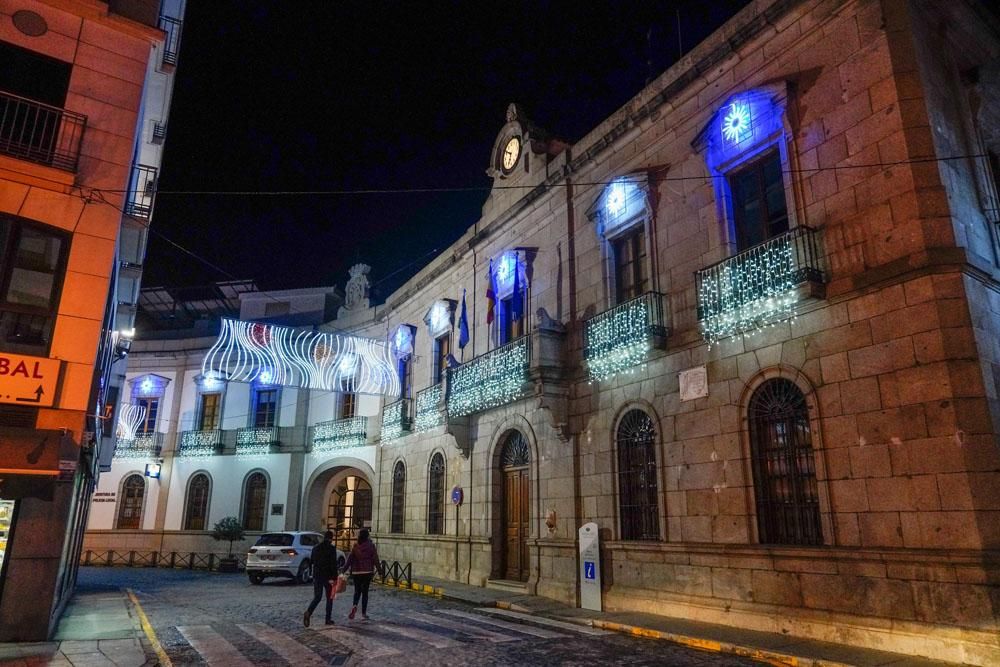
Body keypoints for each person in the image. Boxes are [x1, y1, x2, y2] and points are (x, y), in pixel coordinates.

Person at [343, 528, 381, 620]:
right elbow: (375, 559)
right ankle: (364, 613)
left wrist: (344, 570)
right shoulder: (371, 546)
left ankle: (355, 605)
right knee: (365, 592)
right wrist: (380, 571)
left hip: (356, 571)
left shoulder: (356, 546)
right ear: (367, 536)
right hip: (368, 571)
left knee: (357, 591)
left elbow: (350, 559)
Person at [303, 530, 339, 627]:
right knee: (329, 598)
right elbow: (333, 564)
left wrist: (312, 573)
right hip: (328, 576)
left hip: (318, 575)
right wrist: (335, 577)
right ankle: (328, 618)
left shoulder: (316, 548)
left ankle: (308, 612)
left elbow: (312, 561)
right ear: (331, 538)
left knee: (317, 597)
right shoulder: (331, 549)